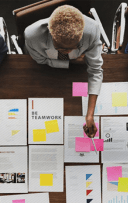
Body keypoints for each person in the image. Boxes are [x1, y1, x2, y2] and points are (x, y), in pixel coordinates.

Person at [24, 5, 103, 138]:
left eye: (75, 47)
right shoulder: (32, 36)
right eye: (61, 48)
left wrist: (90, 115)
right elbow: (40, 61)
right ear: (50, 33)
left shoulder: (92, 29)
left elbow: (95, 70)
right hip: (46, 76)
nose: (69, 52)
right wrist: (71, 62)